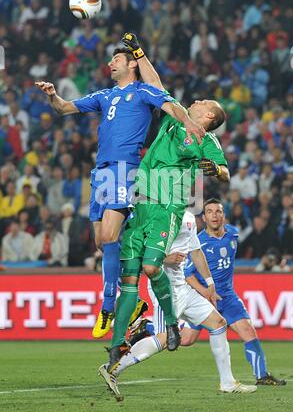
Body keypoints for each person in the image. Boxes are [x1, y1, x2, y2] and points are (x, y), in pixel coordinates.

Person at [35, 44, 204, 339]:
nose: (110, 63)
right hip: (100, 172)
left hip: (124, 170)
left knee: (111, 236)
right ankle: (135, 301)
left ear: (131, 65)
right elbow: (64, 108)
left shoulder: (141, 92)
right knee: (102, 241)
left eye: (116, 59)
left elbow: (168, 104)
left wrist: (188, 121)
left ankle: (109, 305)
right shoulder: (104, 96)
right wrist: (52, 95)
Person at [103, 42, 229, 371]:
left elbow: (226, 172)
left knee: (149, 267)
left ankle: (170, 324)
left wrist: (216, 170)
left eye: (203, 102)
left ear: (210, 115)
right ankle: (117, 346)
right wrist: (140, 53)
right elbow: (156, 84)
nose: (197, 100)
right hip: (141, 200)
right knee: (130, 274)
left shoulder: (206, 138)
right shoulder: (176, 118)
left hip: (167, 204)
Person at [98, 211, 257, 401]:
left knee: (219, 323)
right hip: (163, 287)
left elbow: (196, 251)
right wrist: (166, 259)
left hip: (183, 286)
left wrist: (209, 282)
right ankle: (113, 369)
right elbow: (138, 255)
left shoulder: (188, 217)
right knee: (164, 338)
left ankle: (228, 382)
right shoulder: (152, 215)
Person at [181, 198, 286, 386]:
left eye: (218, 211)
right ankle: (148, 329)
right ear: (204, 218)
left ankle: (262, 376)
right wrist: (205, 292)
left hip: (228, 297)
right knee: (187, 340)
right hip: (204, 299)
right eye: (210, 212)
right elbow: (187, 274)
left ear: (224, 216)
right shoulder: (198, 243)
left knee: (248, 330)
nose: (215, 215)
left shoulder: (233, 235)